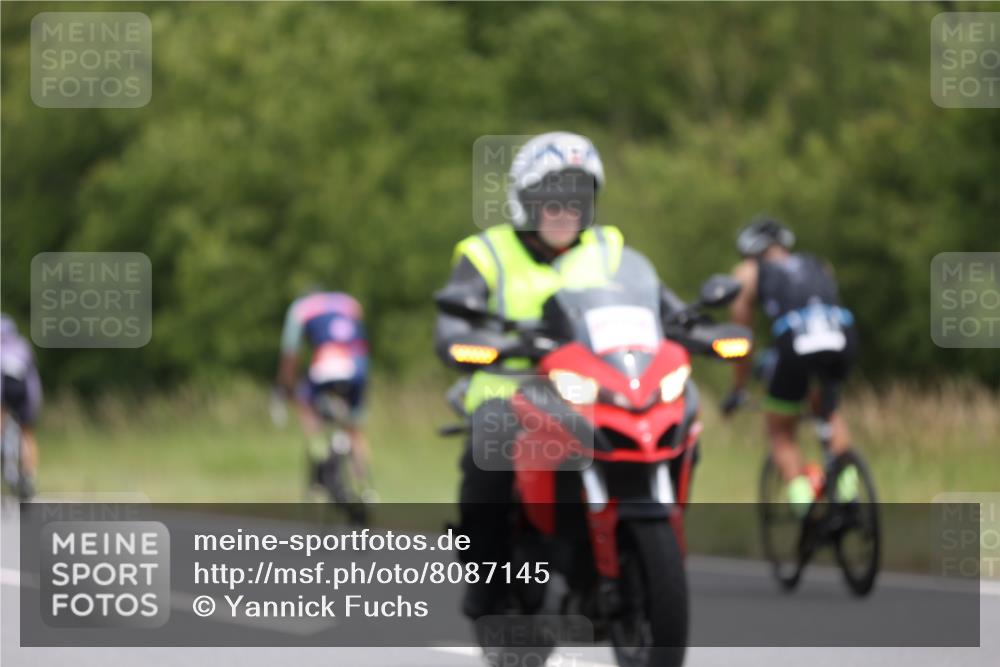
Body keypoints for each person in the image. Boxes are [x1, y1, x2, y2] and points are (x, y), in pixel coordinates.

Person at [434, 132, 690, 618]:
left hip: (596, 387)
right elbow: (451, 326)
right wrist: (475, 343)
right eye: (551, 196)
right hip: (511, 390)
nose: (564, 208)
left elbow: (664, 307)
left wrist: (696, 327)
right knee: (487, 454)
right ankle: (486, 580)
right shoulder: (486, 253)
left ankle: (627, 550)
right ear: (524, 200)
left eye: (578, 195)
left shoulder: (609, 248)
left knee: (672, 416)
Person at [720, 216, 858, 514]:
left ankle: (804, 504)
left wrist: (738, 387)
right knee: (828, 411)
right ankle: (848, 489)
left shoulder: (748, 272)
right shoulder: (818, 264)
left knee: (780, 432)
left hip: (796, 343)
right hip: (842, 336)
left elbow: (741, 340)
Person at [276, 288, 372, 499]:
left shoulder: (300, 309)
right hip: (358, 365)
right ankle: (365, 487)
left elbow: (290, 353)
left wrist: (286, 389)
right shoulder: (349, 302)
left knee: (306, 406)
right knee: (354, 428)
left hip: (329, 364)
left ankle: (318, 456)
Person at [0, 314, 43, 500]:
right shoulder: (23, 346)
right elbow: (33, 377)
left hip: (2, 391)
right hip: (27, 394)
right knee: (27, 433)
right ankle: (28, 476)